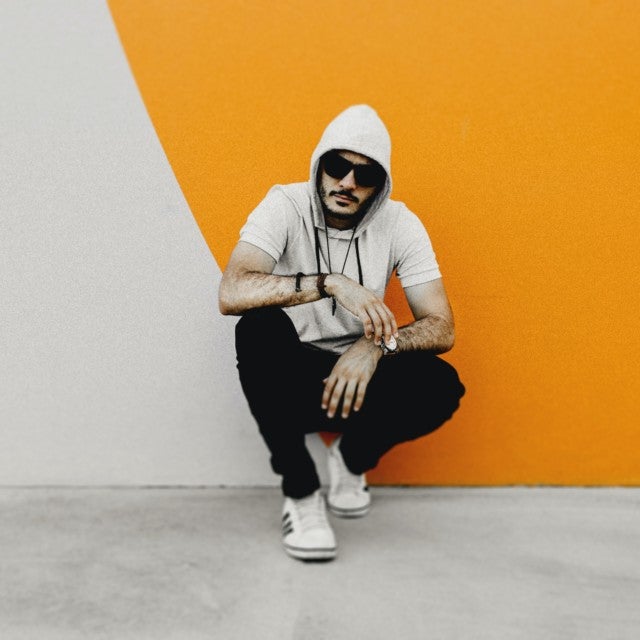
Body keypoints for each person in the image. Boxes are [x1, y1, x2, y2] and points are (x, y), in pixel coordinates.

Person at [218, 104, 465, 562]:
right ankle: (301, 493)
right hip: (289, 381)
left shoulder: (400, 223)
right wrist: (329, 282)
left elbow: (441, 325)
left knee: (440, 384)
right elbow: (232, 291)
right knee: (257, 328)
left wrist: (375, 347)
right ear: (319, 165)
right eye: (337, 166)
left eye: (365, 174)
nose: (348, 182)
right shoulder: (285, 205)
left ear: (380, 184)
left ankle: (350, 459)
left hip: (358, 383)